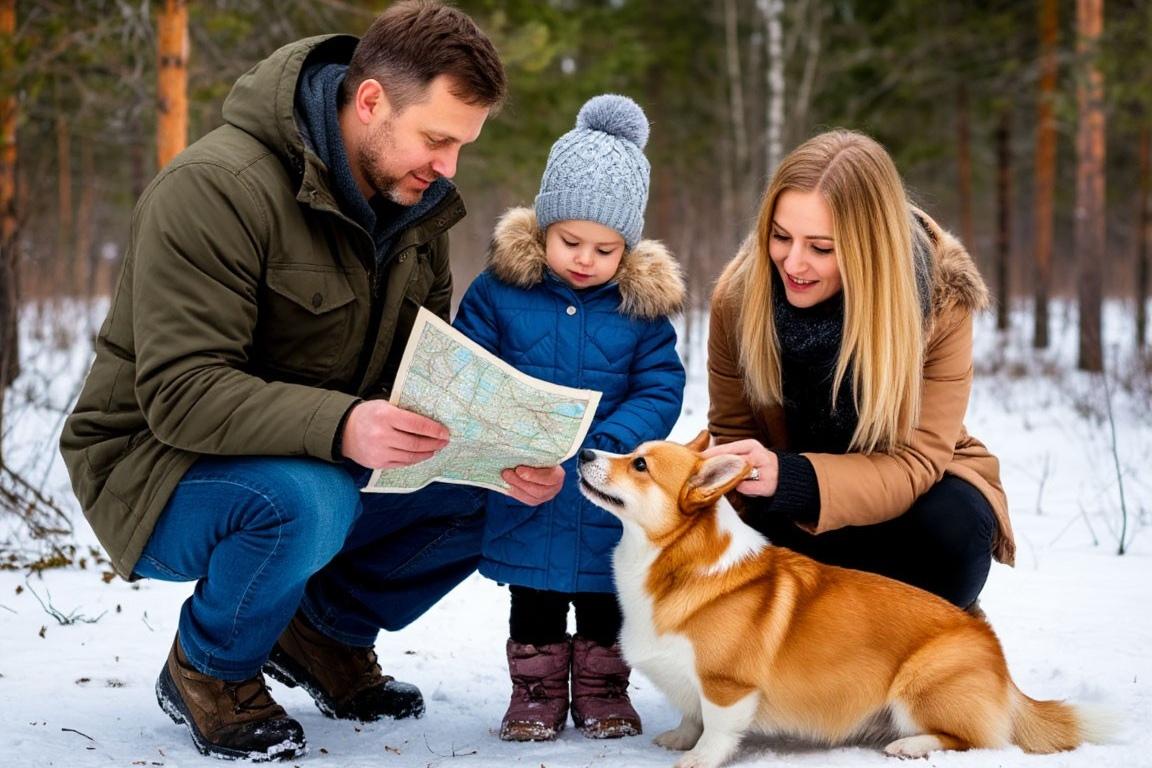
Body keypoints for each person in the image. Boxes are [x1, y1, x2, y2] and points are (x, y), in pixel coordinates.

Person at [59, 3, 566, 762]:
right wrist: (345, 425)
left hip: (312, 454)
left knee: (487, 491)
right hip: (154, 466)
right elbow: (181, 392)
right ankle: (209, 669)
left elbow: (415, 373)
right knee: (306, 499)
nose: (449, 167)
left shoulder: (417, 209)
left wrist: (496, 447)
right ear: (371, 102)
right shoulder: (215, 188)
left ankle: (322, 635)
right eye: (437, 139)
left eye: (463, 145)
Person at [452, 94, 686, 742]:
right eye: (570, 241)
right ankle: (535, 694)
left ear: (627, 249)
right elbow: (471, 363)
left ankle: (606, 690)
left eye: (605, 249)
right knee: (535, 597)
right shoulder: (501, 291)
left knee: (607, 594)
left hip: (605, 488)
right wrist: (498, 420)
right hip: (526, 481)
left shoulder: (639, 311)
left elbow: (660, 385)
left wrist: (609, 446)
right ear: (543, 229)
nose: (585, 259)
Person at [704, 129, 1015, 612]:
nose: (793, 262)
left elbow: (915, 462)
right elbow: (734, 430)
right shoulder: (739, 299)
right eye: (781, 237)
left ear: (869, 248)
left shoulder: (940, 301)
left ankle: (882, 621)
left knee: (954, 531)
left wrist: (797, 478)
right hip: (788, 507)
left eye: (821, 248)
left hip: (905, 500)